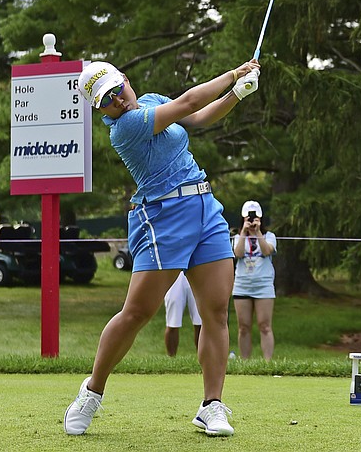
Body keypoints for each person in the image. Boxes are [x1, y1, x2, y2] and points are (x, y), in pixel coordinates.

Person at [64, 58, 261, 437]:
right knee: (137, 313)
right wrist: (232, 74)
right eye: (106, 100)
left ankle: (212, 405)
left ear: (125, 80)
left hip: (204, 208)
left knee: (216, 310)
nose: (117, 101)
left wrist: (236, 93)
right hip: (161, 218)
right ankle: (92, 391)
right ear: (99, 110)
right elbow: (188, 102)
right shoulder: (125, 128)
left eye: (116, 89)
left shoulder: (152, 100)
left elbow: (198, 117)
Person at [232, 200, 278, 360]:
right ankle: (245, 362)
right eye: (248, 219)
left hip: (263, 285)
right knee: (243, 327)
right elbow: (237, 254)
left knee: (264, 326)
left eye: (254, 218)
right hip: (242, 285)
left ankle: (267, 363)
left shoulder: (269, 236)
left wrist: (257, 233)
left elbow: (267, 251)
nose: (251, 222)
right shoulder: (238, 237)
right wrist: (244, 233)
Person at [164, 272, 202, 356]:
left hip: (198, 268)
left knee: (200, 322)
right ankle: (171, 358)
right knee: (172, 323)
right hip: (175, 270)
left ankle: (201, 359)